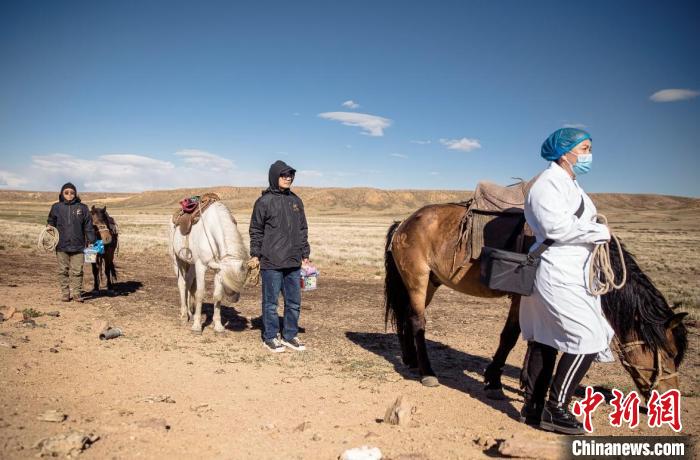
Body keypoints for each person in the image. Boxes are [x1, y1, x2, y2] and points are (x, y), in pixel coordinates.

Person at [519, 128, 614, 435]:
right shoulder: (547, 184)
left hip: (572, 271)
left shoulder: (571, 183)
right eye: (584, 148)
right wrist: (597, 232)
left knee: (548, 337)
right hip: (556, 271)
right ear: (565, 153)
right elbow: (555, 227)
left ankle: (533, 408)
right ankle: (556, 409)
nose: (588, 154)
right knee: (587, 337)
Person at [249, 160, 311, 352]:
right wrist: (255, 254)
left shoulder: (296, 201)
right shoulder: (264, 202)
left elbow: (302, 229)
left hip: (293, 261)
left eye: (290, 175)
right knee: (271, 303)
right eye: (284, 175)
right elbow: (256, 230)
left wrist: (305, 253)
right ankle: (270, 337)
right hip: (271, 261)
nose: (288, 178)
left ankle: (290, 335)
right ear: (274, 176)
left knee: (294, 302)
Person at [47, 182, 96, 302]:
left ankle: (77, 293)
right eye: (67, 192)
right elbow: (51, 221)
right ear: (62, 193)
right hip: (61, 245)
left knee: (78, 271)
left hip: (78, 246)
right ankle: (65, 293)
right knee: (63, 271)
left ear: (75, 194)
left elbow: (88, 226)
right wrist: (49, 227)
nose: (69, 195)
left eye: (72, 192)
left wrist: (91, 241)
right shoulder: (56, 207)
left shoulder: (83, 208)